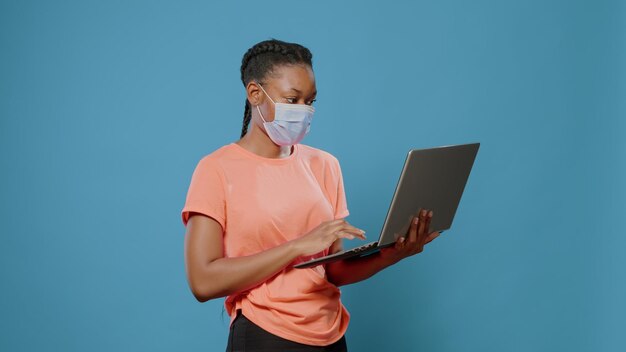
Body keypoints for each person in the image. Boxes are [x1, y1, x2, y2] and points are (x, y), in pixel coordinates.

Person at [181, 38, 440, 352]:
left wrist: (393, 253)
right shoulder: (216, 169)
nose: (303, 111)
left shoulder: (325, 165)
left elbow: (333, 270)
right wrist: (298, 247)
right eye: (292, 99)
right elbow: (203, 281)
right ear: (255, 93)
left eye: (310, 101)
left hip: (330, 333)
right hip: (266, 336)